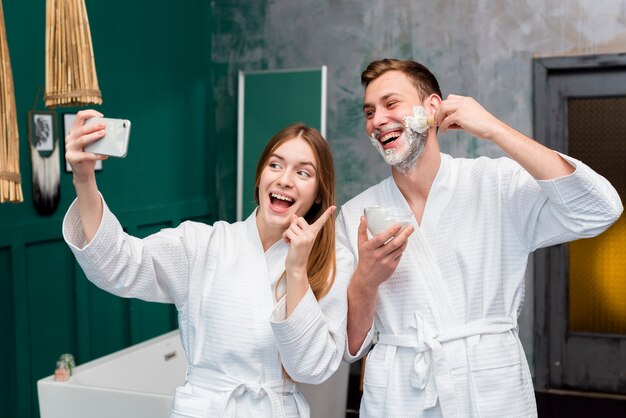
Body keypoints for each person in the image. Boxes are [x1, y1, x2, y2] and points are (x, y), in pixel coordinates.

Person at [336, 59, 623, 417]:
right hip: (399, 397)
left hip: (489, 393)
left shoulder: (495, 184)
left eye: (390, 104)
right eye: (369, 111)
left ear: (432, 108)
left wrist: (494, 129)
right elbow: (350, 346)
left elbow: (599, 209)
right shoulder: (355, 215)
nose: (376, 121)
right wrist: (366, 280)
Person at [63, 110, 351, 418]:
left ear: (319, 194)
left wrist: (296, 271)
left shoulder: (333, 263)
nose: (284, 180)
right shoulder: (201, 244)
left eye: (303, 173)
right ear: (259, 177)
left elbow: (312, 368)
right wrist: (84, 178)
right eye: (275, 165)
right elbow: (117, 264)